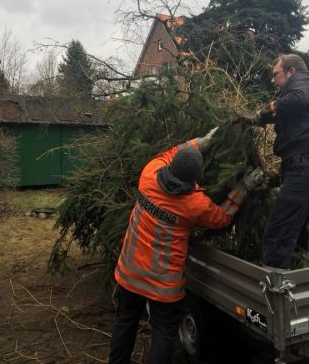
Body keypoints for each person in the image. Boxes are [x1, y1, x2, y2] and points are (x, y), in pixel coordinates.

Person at [108, 129, 263, 364]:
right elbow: (222, 217)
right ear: (194, 177)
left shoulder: (149, 174)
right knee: (162, 333)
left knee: (125, 323)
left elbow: (171, 152)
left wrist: (197, 143)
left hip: (130, 272)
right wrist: (245, 186)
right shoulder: (194, 204)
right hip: (163, 284)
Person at [251, 54, 309, 269]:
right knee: (294, 226)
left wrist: (265, 113)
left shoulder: (304, 79)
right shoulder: (299, 93)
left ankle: (274, 289)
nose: (272, 80)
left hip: (308, 164)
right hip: (308, 163)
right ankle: (300, 268)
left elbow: (297, 99)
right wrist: (277, 175)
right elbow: (299, 142)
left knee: (278, 231)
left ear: (291, 72)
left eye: (275, 74)